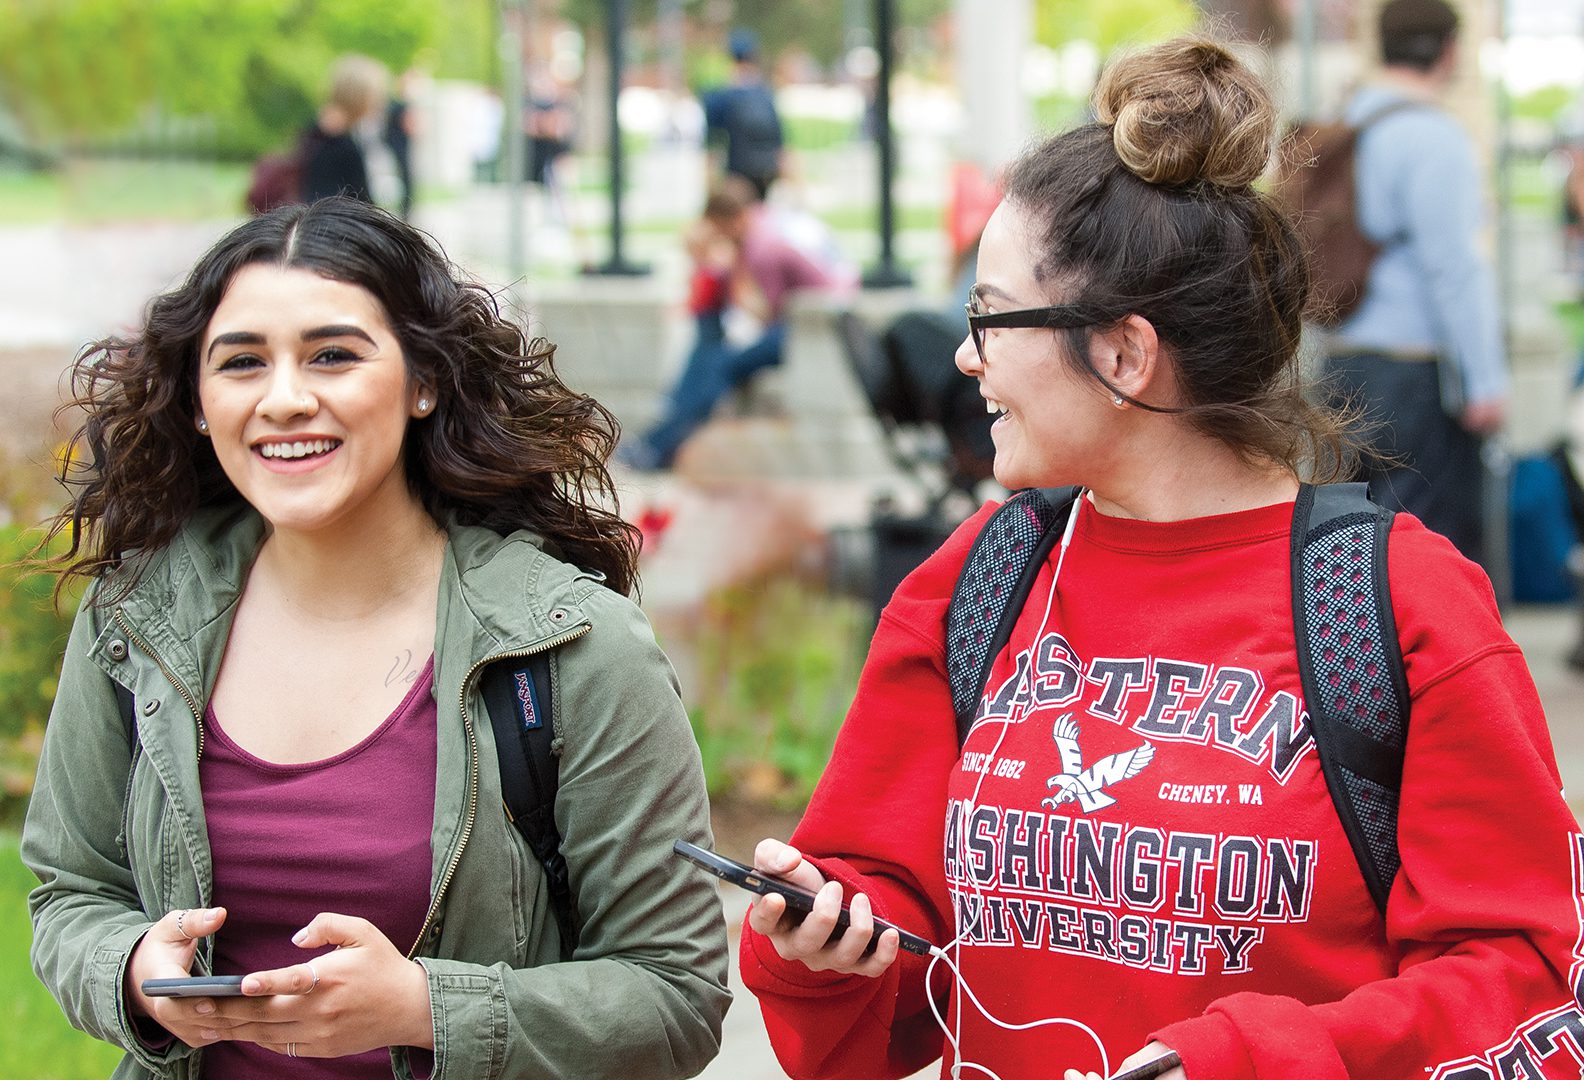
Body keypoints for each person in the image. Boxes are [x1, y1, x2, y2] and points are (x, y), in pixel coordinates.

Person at [737, 36, 1582, 1080]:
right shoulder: (980, 579)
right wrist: (831, 940)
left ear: (1125, 353)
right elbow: (889, 908)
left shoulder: (1397, 603)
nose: (966, 357)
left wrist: (1256, 1058)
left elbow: (1518, 977)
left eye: (991, 318)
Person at [22, 197, 730, 1078]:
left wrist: (424, 1010)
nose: (285, 399)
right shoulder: (135, 620)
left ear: (422, 382)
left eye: (333, 355)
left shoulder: (572, 644)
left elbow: (676, 992)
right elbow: (73, 894)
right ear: (200, 403)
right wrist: (131, 972)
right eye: (241, 363)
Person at [1322, 0, 1506, 569]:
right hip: (1411, 378)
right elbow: (1454, 269)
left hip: (1341, 367)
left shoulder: (1348, 121)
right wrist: (1484, 380)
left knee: (1348, 544)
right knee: (1425, 553)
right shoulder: (1434, 135)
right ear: (1451, 51)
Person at [625, 176, 837, 470]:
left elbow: (768, 314)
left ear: (734, 220)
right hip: (791, 329)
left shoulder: (764, 248)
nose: (717, 235)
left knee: (716, 366)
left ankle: (658, 447)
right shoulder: (757, 236)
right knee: (708, 362)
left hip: (805, 333)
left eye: (718, 228)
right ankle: (656, 445)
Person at [700, 29, 784, 201]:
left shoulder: (721, 97)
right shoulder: (765, 95)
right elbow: (780, 145)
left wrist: (709, 183)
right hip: (767, 173)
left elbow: (712, 143)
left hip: (737, 175)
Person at [300, 55, 390, 205]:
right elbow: (361, 200)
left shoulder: (318, 130)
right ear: (359, 96)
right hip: (330, 223)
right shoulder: (340, 143)